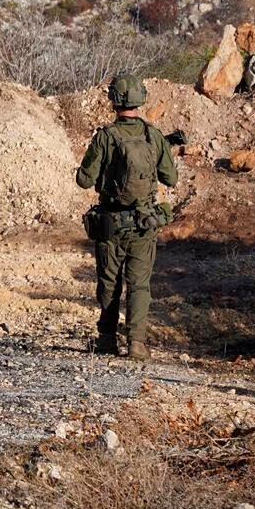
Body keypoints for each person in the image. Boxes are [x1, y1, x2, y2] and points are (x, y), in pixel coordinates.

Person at [74, 74, 178, 361]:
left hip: (111, 225)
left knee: (109, 282)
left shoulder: (106, 137)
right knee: (139, 285)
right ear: (140, 99)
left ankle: (107, 339)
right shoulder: (153, 136)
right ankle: (136, 343)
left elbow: (84, 180)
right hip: (144, 225)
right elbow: (171, 178)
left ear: (114, 100)